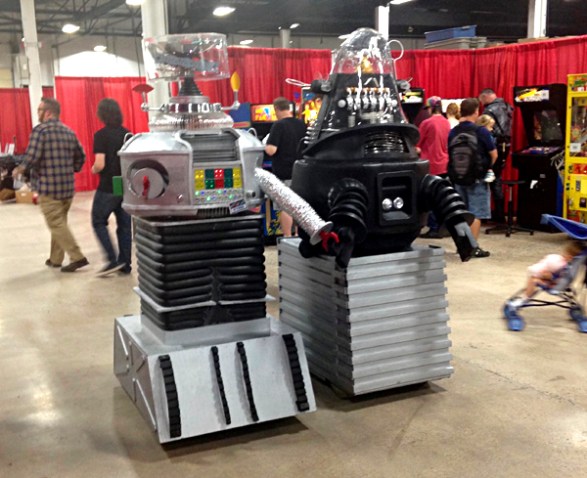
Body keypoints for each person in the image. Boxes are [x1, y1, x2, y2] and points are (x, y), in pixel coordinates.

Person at [13, 97, 89, 272]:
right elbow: (81, 156)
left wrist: (20, 168)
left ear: (48, 113)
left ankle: (77, 257)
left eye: (39, 110)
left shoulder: (40, 131)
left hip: (48, 188)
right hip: (67, 189)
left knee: (56, 223)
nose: (37, 113)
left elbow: (32, 156)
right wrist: (71, 169)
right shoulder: (69, 132)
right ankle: (56, 259)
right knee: (59, 222)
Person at [448, 98, 497, 258]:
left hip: (458, 177)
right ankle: (472, 248)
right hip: (477, 179)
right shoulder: (481, 131)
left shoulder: (453, 132)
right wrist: (486, 169)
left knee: (461, 213)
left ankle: (461, 246)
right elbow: (494, 154)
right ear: (476, 112)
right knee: (476, 214)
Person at [91, 98, 132, 276]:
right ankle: (125, 264)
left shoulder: (101, 135)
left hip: (108, 185)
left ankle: (111, 260)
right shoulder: (128, 134)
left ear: (102, 114)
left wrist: (93, 169)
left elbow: (100, 164)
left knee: (98, 221)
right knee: (124, 226)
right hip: (125, 185)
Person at [264, 97, 307, 237]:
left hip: (284, 173)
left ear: (276, 109)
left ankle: (287, 237)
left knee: (286, 207)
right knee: (299, 207)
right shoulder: (302, 124)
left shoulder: (278, 125)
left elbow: (271, 150)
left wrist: (263, 146)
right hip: (301, 173)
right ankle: (298, 236)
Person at [508, 240, 584, 308]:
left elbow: (558, 277)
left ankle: (525, 299)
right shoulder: (571, 265)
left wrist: (549, 276)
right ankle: (527, 294)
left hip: (554, 284)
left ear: (569, 257)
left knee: (533, 280)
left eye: (565, 254)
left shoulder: (563, 265)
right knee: (534, 277)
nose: (563, 255)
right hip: (560, 282)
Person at [416, 96, 451, 238]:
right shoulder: (446, 122)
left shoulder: (426, 123)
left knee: (429, 198)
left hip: (430, 164)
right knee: (441, 197)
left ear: (431, 108)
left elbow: (417, 146)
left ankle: (434, 227)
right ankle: (442, 226)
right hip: (444, 164)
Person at [479, 88, 514, 223]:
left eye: (481, 99)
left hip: (493, 147)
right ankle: (499, 214)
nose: (481, 103)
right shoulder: (507, 106)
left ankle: (486, 214)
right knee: (497, 178)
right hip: (506, 146)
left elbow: (486, 132)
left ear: (486, 96)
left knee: (487, 178)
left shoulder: (489, 110)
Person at [475, 114, 497, 183]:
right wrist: (489, 166)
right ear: (483, 125)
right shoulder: (486, 135)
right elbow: (494, 154)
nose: (492, 129)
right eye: (490, 127)